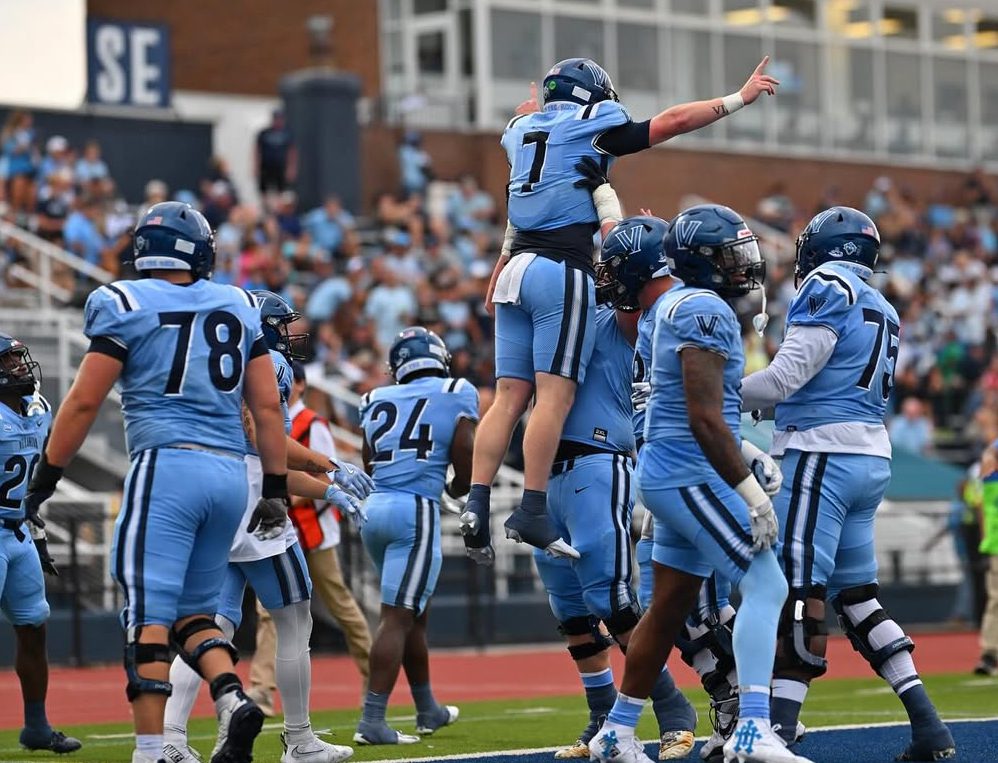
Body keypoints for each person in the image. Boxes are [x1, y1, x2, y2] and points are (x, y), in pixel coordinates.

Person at [462, 55, 780, 560]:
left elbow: (523, 196)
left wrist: (501, 260)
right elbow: (672, 122)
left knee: (506, 398)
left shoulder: (520, 129)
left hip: (516, 269)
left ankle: (477, 504)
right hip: (558, 269)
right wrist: (736, 99)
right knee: (553, 397)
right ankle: (532, 507)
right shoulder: (595, 124)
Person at [24, 201, 289, 763]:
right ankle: (232, 697)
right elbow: (267, 409)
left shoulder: (123, 301)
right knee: (195, 612)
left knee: (146, 619)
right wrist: (275, 489)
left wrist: (45, 479)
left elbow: (84, 401)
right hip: (228, 478)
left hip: (166, 467)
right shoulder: (239, 303)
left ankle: (151, 750)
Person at [587, 207, 805, 763]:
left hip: (670, 469)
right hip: (691, 473)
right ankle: (755, 728)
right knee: (766, 584)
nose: (742, 266)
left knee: (670, 604)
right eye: (729, 256)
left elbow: (679, 410)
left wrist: (744, 448)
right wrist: (748, 488)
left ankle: (616, 731)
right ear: (695, 261)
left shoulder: (664, 310)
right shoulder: (703, 308)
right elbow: (704, 416)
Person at [739, 207, 955, 761]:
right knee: (858, 600)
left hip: (821, 454)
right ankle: (929, 726)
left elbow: (786, 377)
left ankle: (780, 729)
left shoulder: (826, 285)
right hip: (867, 458)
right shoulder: (879, 301)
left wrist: (715, 394)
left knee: (795, 594)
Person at [163, 291, 362, 763]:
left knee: (210, 626)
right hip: (253, 506)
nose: (289, 334)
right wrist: (328, 464)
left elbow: (256, 451)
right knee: (295, 619)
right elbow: (263, 439)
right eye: (282, 323)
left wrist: (328, 486)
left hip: (210, 495)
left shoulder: (206, 362)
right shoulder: (267, 361)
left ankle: (171, 740)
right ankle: (299, 740)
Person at [507, 299, 697, 761]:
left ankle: (674, 709)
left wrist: (611, 226)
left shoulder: (611, 317)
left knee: (610, 598)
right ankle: (601, 713)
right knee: (570, 611)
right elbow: (506, 292)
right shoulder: (549, 315)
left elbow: (637, 287)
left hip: (597, 458)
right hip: (543, 474)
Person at [354, 327, 476, 745]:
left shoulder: (373, 399)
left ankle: (428, 709)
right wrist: (458, 491)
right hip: (414, 509)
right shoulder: (456, 390)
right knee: (398, 617)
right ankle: (372, 719)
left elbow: (369, 460)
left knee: (410, 615)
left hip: (375, 510)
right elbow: (466, 458)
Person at [248, 360, 373, 714]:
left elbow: (322, 476)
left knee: (340, 605)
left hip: (311, 530)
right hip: (276, 525)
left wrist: (288, 493)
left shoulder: (312, 423)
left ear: (298, 386)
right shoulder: (263, 416)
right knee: (270, 612)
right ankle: (260, 688)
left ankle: (373, 676)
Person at [0, 335, 81, 755]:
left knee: (33, 628)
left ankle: (36, 726)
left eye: (18, 357)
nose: (19, 365)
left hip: (15, 532)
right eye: (9, 360)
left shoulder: (36, 410)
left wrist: (32, 522)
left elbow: (27, 479)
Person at [977, 443, 998, 676]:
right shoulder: (990, 482)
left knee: (995, 600)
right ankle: (990, 653)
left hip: (994, 546)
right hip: (996, 546)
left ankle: (990, 653)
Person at [256, 109, 297, 195]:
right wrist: (256, 166)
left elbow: (292, 152)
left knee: (281, 191)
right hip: (266, 166)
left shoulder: (287, 134)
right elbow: (257, 150)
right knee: (264, 190)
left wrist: (291, 168)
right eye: (276, 119)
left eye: (280, 119)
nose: (278, 121)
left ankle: (279, 207)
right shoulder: (264, 133)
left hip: (281, 167)